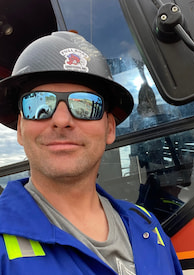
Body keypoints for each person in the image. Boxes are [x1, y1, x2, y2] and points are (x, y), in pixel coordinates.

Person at [0, 31, 182, 274]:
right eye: (38, 104)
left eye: (85, 105)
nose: (61, 120)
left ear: (109, 128)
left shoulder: (148, 228)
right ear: (20, 129)